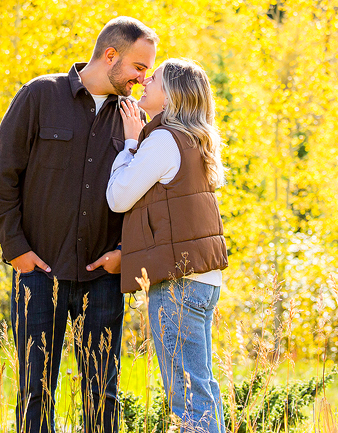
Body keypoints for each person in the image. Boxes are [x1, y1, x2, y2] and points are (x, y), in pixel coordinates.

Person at [0, 17, 158, 433]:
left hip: (102, 279)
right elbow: (2, 174)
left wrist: (124, 254)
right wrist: (15, 249)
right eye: (138, 67)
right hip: (38, 275)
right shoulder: (40, 95)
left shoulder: (134, 118)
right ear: (110, 55)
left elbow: (143, 195)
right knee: (35, 393)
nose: (143, 78)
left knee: (103, 395)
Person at [102, 58, 228, 433]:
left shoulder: (162, 140)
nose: (144, 81)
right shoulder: (194, 139)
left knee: (187, 394)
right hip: (203, 281)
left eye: (153, 79)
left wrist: (129, 143)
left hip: (177, 283)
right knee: (200, 386)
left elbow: (118, 197)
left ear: (170, 95)